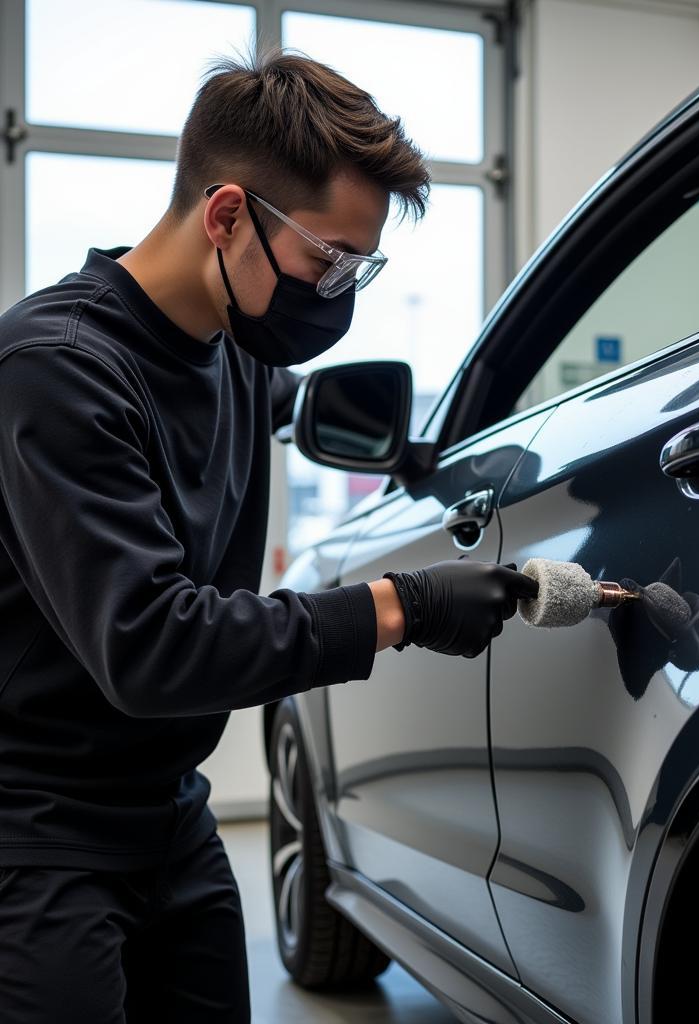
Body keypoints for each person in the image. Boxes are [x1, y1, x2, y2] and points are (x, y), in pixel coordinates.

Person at [0, 49, 537, 1023]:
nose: (339, 294)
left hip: (169, 813)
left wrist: (424, 457)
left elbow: (305, 412)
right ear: (227, 214)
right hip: (34, 832)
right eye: (328, 261)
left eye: (360, 267)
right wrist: (397, 607)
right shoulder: (56, 371)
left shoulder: (236, 354)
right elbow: (153, 645)